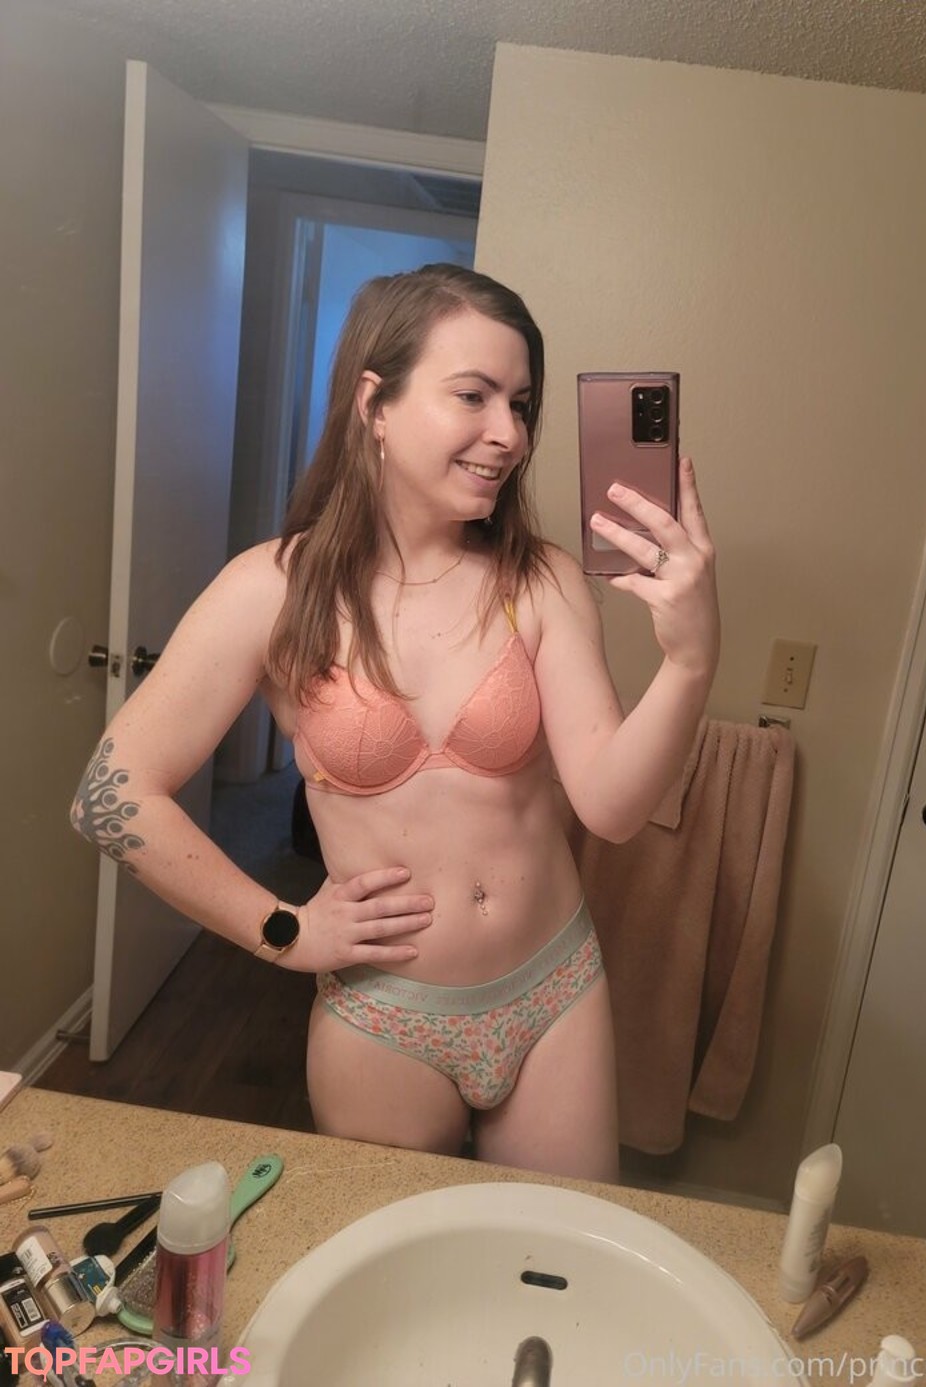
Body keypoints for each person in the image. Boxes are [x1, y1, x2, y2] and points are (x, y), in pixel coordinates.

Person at [71, 264, 720, 1182]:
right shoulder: (273, 590)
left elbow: (611, 808)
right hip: (386, 1017)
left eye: (521, 404)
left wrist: (690, 663)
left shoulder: (542, 580)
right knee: (396, 1253)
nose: (509, 433)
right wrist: (282, 928)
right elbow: (110, 795)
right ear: (375, 403)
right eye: (474, 395)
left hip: (555, 991)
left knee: (550, 1252)